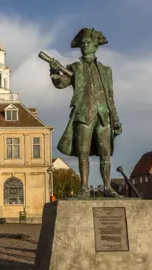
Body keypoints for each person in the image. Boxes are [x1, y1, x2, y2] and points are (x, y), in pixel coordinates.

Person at [49, 28, 122, 197]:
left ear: (96, 45)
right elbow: (60, 84)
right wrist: (53, 71)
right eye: (82, 43)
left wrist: (116, 119)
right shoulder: (75, 67)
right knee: (83, 153)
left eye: (88, 42)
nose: (84, 45)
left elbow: (110, 96)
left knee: (105, 154)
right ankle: (84, 188)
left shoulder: (106, 71)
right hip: (83, 115)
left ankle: (107, 187)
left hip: (104, 116)